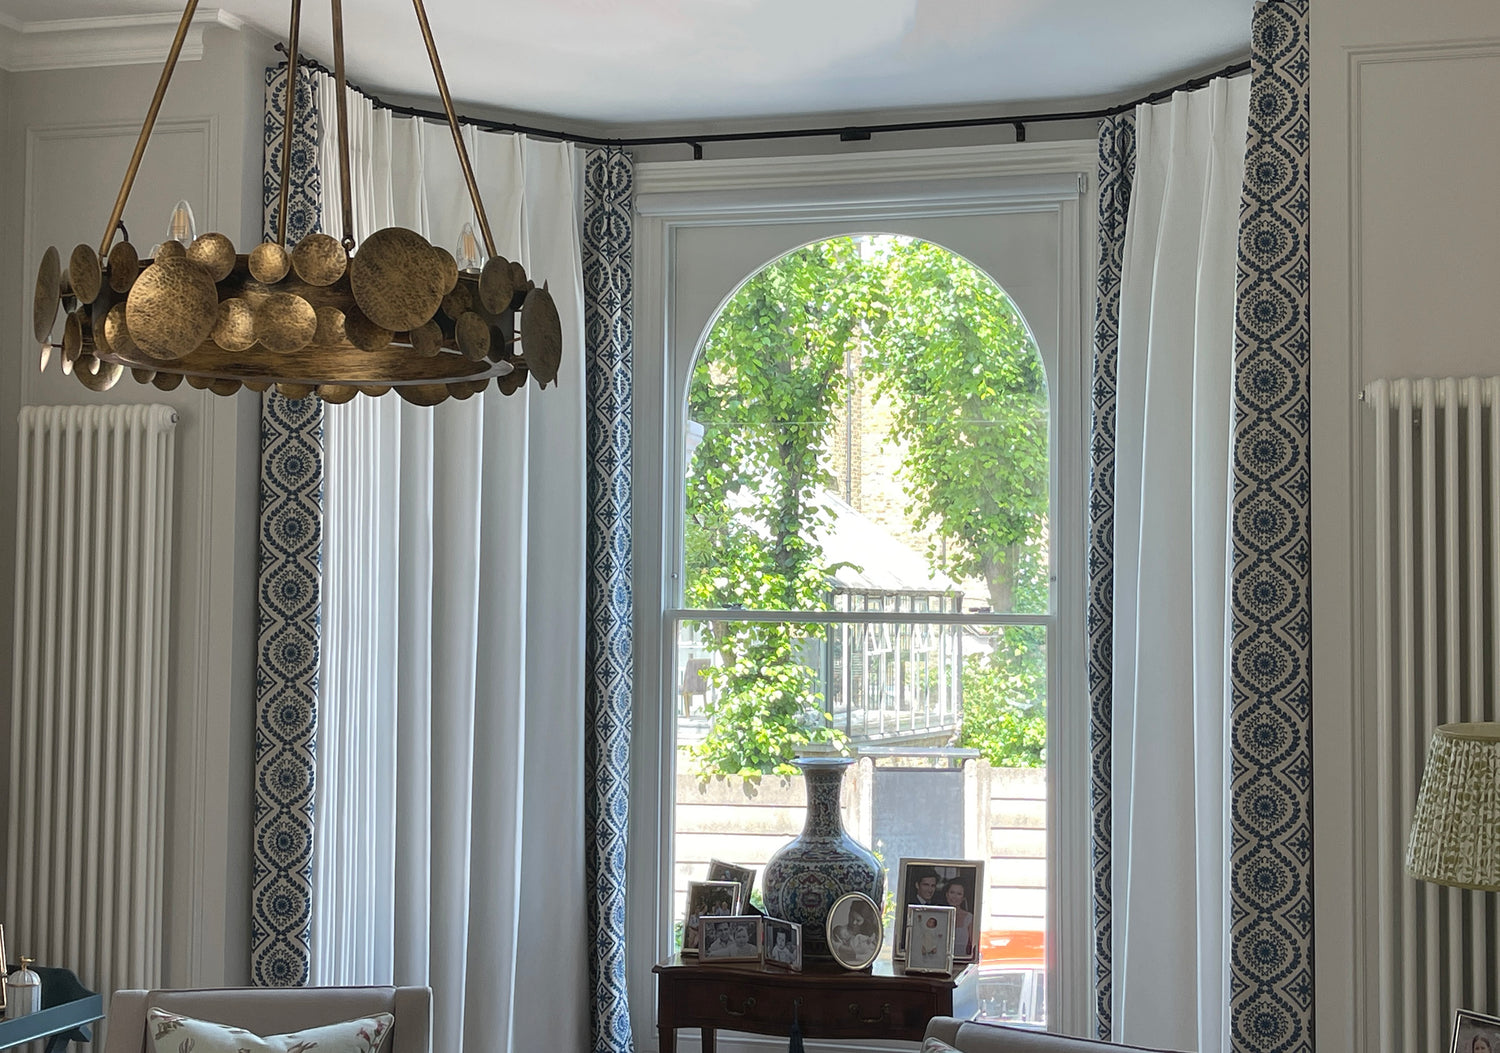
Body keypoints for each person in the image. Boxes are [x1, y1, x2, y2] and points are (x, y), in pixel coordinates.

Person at [944, 879, 975, 957]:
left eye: (959, 894)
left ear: (963, 898)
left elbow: (972, 945)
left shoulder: (969, 918)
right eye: (952, 892)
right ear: (947, 894)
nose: (954, 897)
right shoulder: (938, 915)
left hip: (961, 960)